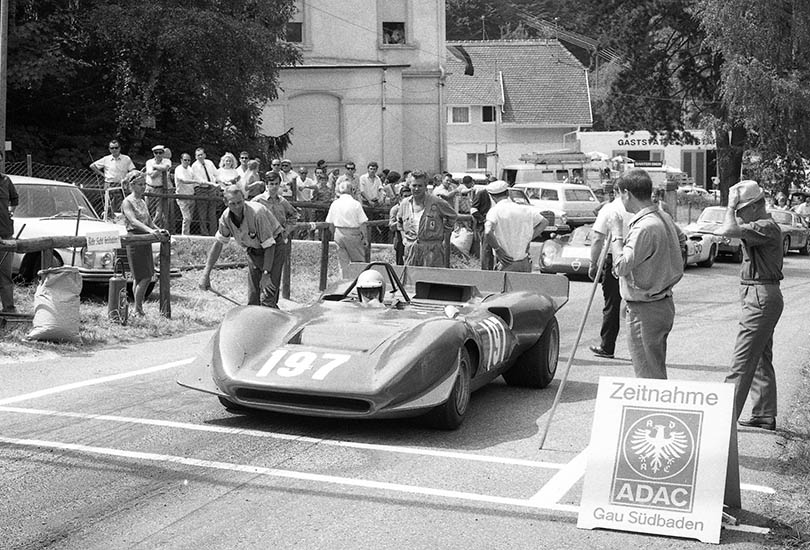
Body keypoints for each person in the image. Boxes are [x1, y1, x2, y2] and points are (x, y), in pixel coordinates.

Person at [714, 180, 783, 430]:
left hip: (760, 294)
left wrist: (730, 206)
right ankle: (764, 413)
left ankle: (721, 422)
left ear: (754, 206)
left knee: (741, 361)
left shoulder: (765, 226)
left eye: (742, 209)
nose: (739, 214)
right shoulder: (759, 226)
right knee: (761, 356)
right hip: (759, 293)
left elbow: (729, 231)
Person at [607, 168, 685, 379]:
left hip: (647, 309)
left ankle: (659, 412)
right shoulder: (663, 216)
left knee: (648, 376)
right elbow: (682, 239)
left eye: (618, 193)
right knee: (654, 369)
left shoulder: (644, 227)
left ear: (626, 193)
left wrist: (616, 233)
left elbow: (621, 266)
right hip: (661, 303)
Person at [200, 185, 283, 308]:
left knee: (267, 296)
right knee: (253, 299)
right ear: (225, 202)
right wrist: (205, 274)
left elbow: (269, 246)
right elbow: (218, 244)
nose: (237, 207)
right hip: (253, 250)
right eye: (233, 204)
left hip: (274, 248)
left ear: (244, 199)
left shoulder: (257, 213)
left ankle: (275, 322)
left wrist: (266, 274)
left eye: (240, 202)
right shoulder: (225, 217)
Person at [588, 182, 633, 359]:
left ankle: (607, 346)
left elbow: (597, 238)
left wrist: (593, 263)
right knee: (635, 303)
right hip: (635, 254)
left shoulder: (609, 209)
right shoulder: (638, 208)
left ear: (615, 192)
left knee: (612, 305)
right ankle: (639, 350)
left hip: (614, 256)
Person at [121, 171, 170, 316]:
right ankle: (138, 308)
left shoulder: (142, 201)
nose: (144, 187)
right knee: (145, 276)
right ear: (132, 185)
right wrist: (150, 231)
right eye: (141, 184)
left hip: (145, 240)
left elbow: (148, 220)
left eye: (144, 184)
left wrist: (157, 229)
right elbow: (133, 221)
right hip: (135, 239)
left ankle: (137, 308)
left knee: (142, 276)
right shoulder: (127, 202)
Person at [252, 171, 299, 307]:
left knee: (275, 274)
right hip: (261, 243)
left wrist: (286, 231)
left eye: (276, 184)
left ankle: (270, 303)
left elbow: (294, 215)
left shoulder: (282, 202)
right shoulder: (257, 201)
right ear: (266, 185)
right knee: (259, 274)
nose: (273, 187)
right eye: (271, 184)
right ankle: (256, 304)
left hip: (277, 240)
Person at [484, 180, 547, 272]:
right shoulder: (525, 209)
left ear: (492, 196)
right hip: (524, 261)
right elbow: (544, 222)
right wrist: (528, 238)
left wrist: (498, 249)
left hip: (506, 261)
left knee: (503, 286)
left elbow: (487, 231)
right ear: (508, 193)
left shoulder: (494, 211)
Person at [398, 171, 457, 267]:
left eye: (420, 186)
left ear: (426, 186)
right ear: (409, 186)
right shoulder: (405, 204)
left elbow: (453, 215)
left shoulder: (437, 202)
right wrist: (404, 237)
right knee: (411, 280)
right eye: (414, 185)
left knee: (431, 280)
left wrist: (444, 230)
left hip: (432, 251)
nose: (417, 189)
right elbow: (399, 223)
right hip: (411, 251)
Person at [326, 179, 368, 278]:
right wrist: (365, 237)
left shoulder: (335, 204)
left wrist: (334, 235)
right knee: (358, 261)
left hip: (338, 233)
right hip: (353, 233)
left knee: (343, 262)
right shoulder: (356, 204)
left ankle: (344, 283)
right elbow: (363, 223)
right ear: (352, 190)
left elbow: (330, 223)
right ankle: (359, 282)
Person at [90, 140, 136, 218]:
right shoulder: (106, 159)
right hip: (109, 184)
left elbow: (133, 170)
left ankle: (121, 221)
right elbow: (92, 166)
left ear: (120, 148)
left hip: (122, 185)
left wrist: (128, 178)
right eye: (112, 148)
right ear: (109, 149)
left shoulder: (126, 158)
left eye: (116, 148)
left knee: (123, 205)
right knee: (108, 205)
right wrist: (103, 175)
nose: (114, 150)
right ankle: (108, 219)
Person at [0, 162, 19, 312]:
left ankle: (9, 309)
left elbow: (15, 198)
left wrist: (9, 212)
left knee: (5, 274)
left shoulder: (6, 180)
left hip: (5, 233)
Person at [191, 148, 219, 236]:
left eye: (201, 154)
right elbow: (200, 180)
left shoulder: (209, 163)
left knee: (212, 213)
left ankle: (213, 233)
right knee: (202, 213)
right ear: (195, 157)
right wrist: (212, 184)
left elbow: (216, 174)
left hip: (211, 189)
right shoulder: (194, 166)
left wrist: (220, 182)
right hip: (201, 190)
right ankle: (204, 233)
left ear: (204, 155)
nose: (200, 156)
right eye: (198, 155)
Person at [144, 145, 173, 229]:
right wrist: (161, 169)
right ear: (153, 153)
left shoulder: (167, 161)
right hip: (149, 188)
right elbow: (151, 175)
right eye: (156, 153)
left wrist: (155, 167)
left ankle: (153, 227)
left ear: (163, 153)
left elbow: (165, 167)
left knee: (159, 212)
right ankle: (146, 226)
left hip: (160, 188)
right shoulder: (149, 162)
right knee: (147, 209)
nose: (158, 154)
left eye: (160, 152)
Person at [471, 181, 493, 268]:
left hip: (497, 224)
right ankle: (486, 270)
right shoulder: (482, 193)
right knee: (486, 249)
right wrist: (483, 220)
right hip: (485, 225)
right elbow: (473, 210)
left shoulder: (501, 195)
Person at [173, 153, 196, 235]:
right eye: (185, 160)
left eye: (189, 160)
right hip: (181, 196)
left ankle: (187, 234)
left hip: (191, 196)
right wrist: (196, 181)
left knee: (190, 218)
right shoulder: (178, 169)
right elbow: (183, 180)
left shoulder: (190, 169)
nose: (187, 162)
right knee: (187, 218)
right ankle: (184, 236)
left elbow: (195, 178)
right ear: (181, 160)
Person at [389, 183, 411, 265]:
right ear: (401, 197)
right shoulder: (395, 209)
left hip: (411, 237)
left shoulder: (414, 207)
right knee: (400, 264)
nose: (408, 198)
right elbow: (391, 227)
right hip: (399, 239)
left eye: (409, 195)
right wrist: (400, 220)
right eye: (405, 196)